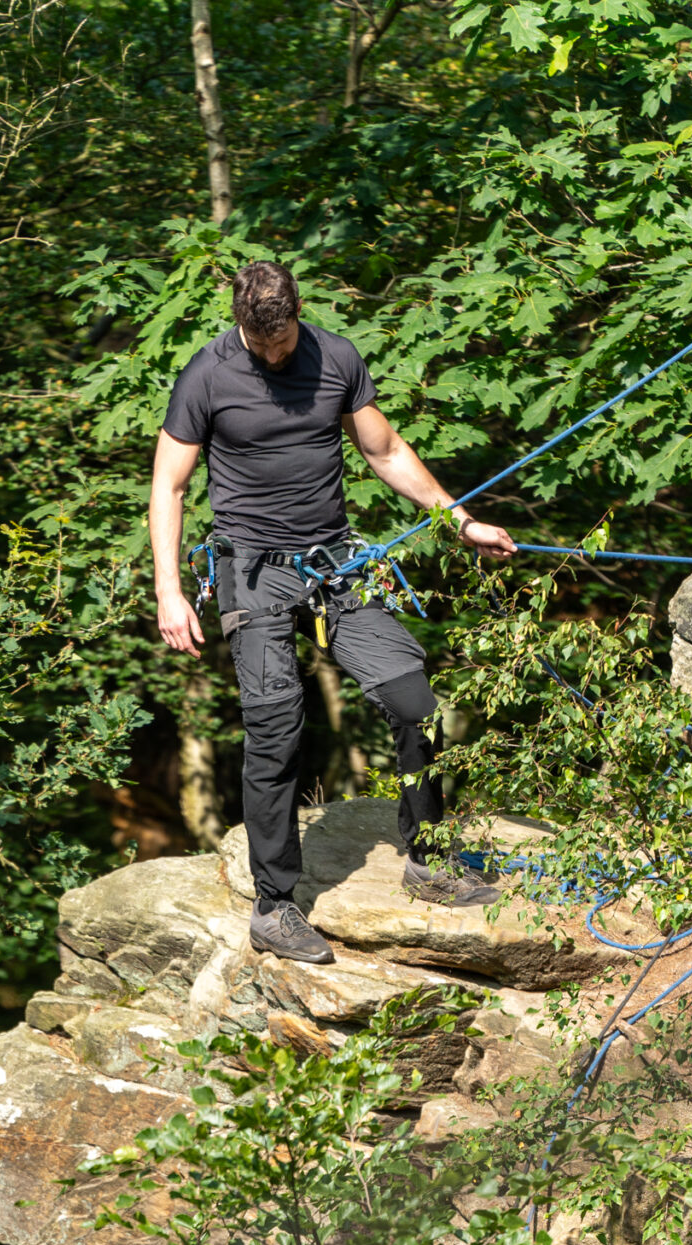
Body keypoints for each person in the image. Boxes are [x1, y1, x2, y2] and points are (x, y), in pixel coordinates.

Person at [149, 259, 519, 970]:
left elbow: (385, 450)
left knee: (415, 704)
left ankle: (427, 857)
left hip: (333, 564)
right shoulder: (206, 375)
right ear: (241, 324)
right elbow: (168, 486)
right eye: (261, 344)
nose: (274, 354)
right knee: (275, 727)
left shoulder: (336, 357)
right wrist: (170, 589)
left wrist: (460, 521)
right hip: (251, 571)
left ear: (298, 313)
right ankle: (274, 906)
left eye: (283, 339)